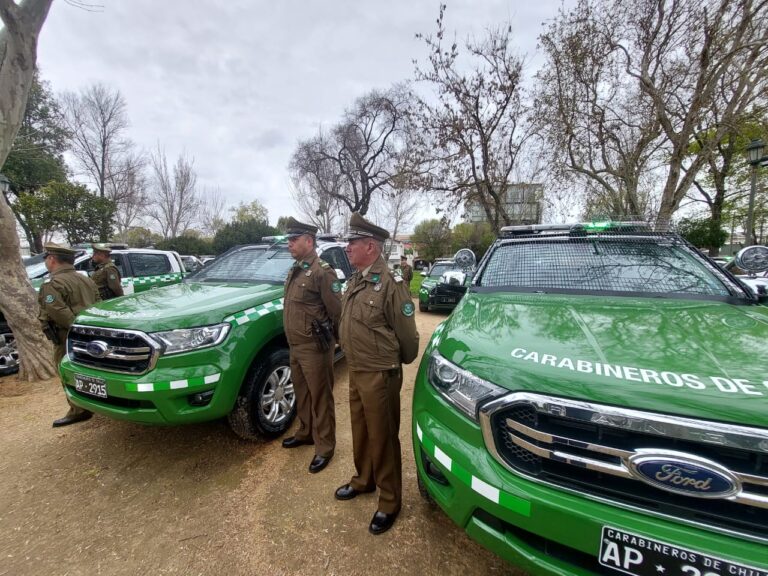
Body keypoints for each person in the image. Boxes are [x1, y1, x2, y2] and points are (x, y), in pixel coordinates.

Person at [334, 213, 419, 535]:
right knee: (361, 430)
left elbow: (408, 338)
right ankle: (364, 480)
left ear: (370, 246)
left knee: (382, 437)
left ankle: (389, 501)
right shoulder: (356, 279)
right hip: (357, 368)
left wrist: (398, 364)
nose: (347, 248)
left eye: (352, 243)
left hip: (380, 373)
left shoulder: (391, 283)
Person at [281, 217, 342, 474]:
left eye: (294, 240)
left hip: (315, 348)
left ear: (309, 240)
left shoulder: (322, 271)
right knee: (302, 393)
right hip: (295, 345)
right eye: (289, 240)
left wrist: (335, 342)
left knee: (321, 398)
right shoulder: (296, 269)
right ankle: (306, 432)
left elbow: (337, 311)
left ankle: (325, 447)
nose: (289, 244)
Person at [38, 242, 100, 428]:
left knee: (67, 371)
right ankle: (94, 403)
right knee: (91, 370)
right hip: (92, 334)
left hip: (67, 337)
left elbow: (59, 312)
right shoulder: (86, 279)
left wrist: (77, 331)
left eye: (47, 259)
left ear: (52, 259)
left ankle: (78, 410)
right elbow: (99, 304)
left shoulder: (52, 284)